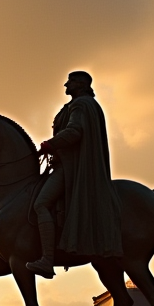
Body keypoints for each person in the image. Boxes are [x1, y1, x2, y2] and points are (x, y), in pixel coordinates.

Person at [27, 71, 122, 279]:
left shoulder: (80, 105)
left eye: (69, 82)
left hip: (71, 168)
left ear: (80, 84)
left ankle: (47, 259)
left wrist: (50, 144)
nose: (65, 85)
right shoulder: (88, 105)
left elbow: (74, 131)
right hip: (69, 163)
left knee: (41, 204)